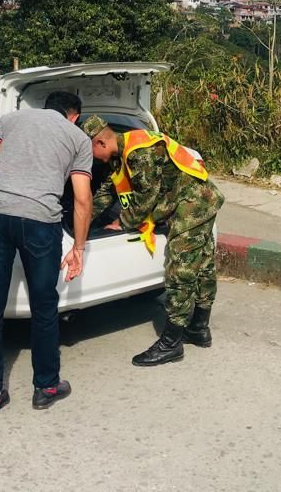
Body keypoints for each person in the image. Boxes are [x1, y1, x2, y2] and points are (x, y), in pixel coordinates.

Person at [0, 91, 93, 422]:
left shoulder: (10, 119)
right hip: (41, 222)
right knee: (43, 307)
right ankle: (46, 387)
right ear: (73, 115)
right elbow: (82, 199)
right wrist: (78, 248)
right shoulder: (78, 138)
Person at [82, 115, 224, 367]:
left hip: (193, 203)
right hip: (193, 201)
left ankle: (171, 344)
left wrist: (122, 222)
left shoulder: (139, 153)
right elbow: (107, 192)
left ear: (100, 143)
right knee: (202, 264)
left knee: (180, 269)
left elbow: (146, 199)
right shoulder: (121, 156)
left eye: (90, 151)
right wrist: (81, 220)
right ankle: (199, 328)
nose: (92, 159)